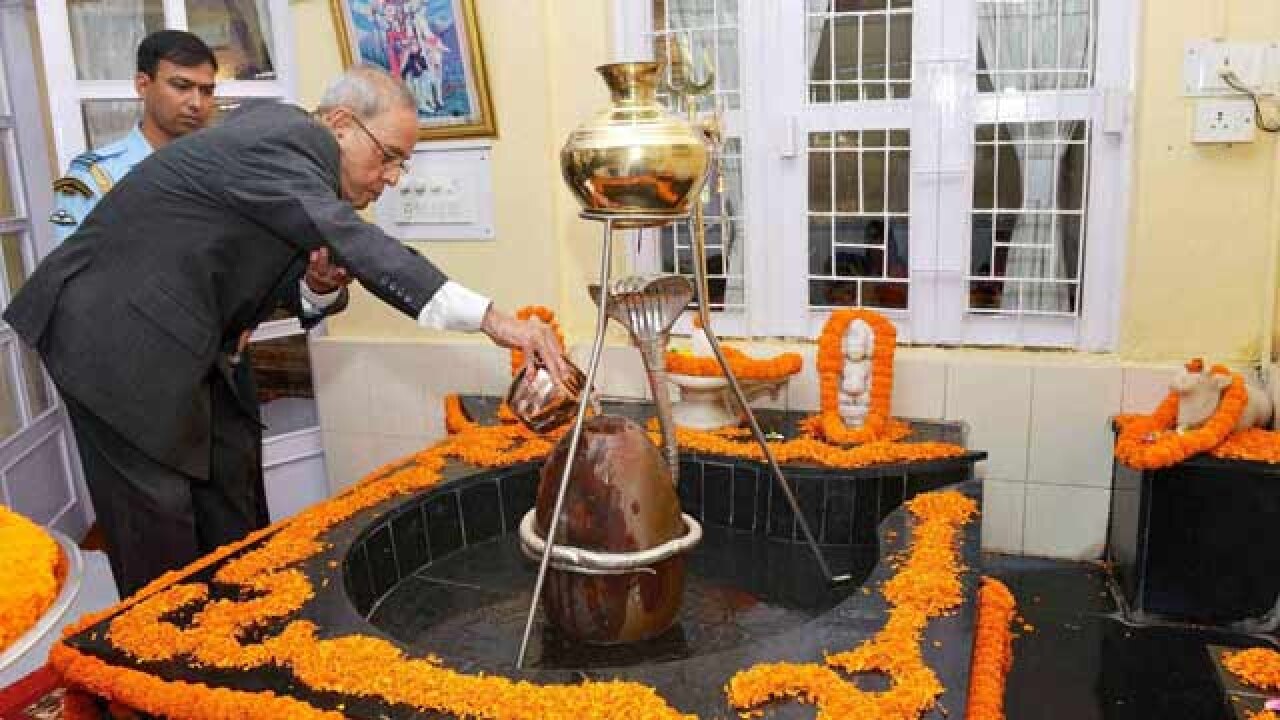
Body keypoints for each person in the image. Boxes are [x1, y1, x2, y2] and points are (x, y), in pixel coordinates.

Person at [5, 65, 569, 597]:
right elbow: (358, 242)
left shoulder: (292, 168)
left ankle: (235, 629)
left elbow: (276, 284)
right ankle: (159, 671)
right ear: (341, 124)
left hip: (191, 348)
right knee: (159, 531)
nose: (393, 178)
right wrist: (495, 322)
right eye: (390, 157)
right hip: (115, 341)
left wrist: (317, 287)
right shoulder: (286, 136)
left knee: (233, 502)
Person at [49, 30, 219, 242]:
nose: (196, 103)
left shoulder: (222, 170)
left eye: (206, 91)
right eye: (181, 86)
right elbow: (71, 270)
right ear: (143, 85)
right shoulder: (92, 177)